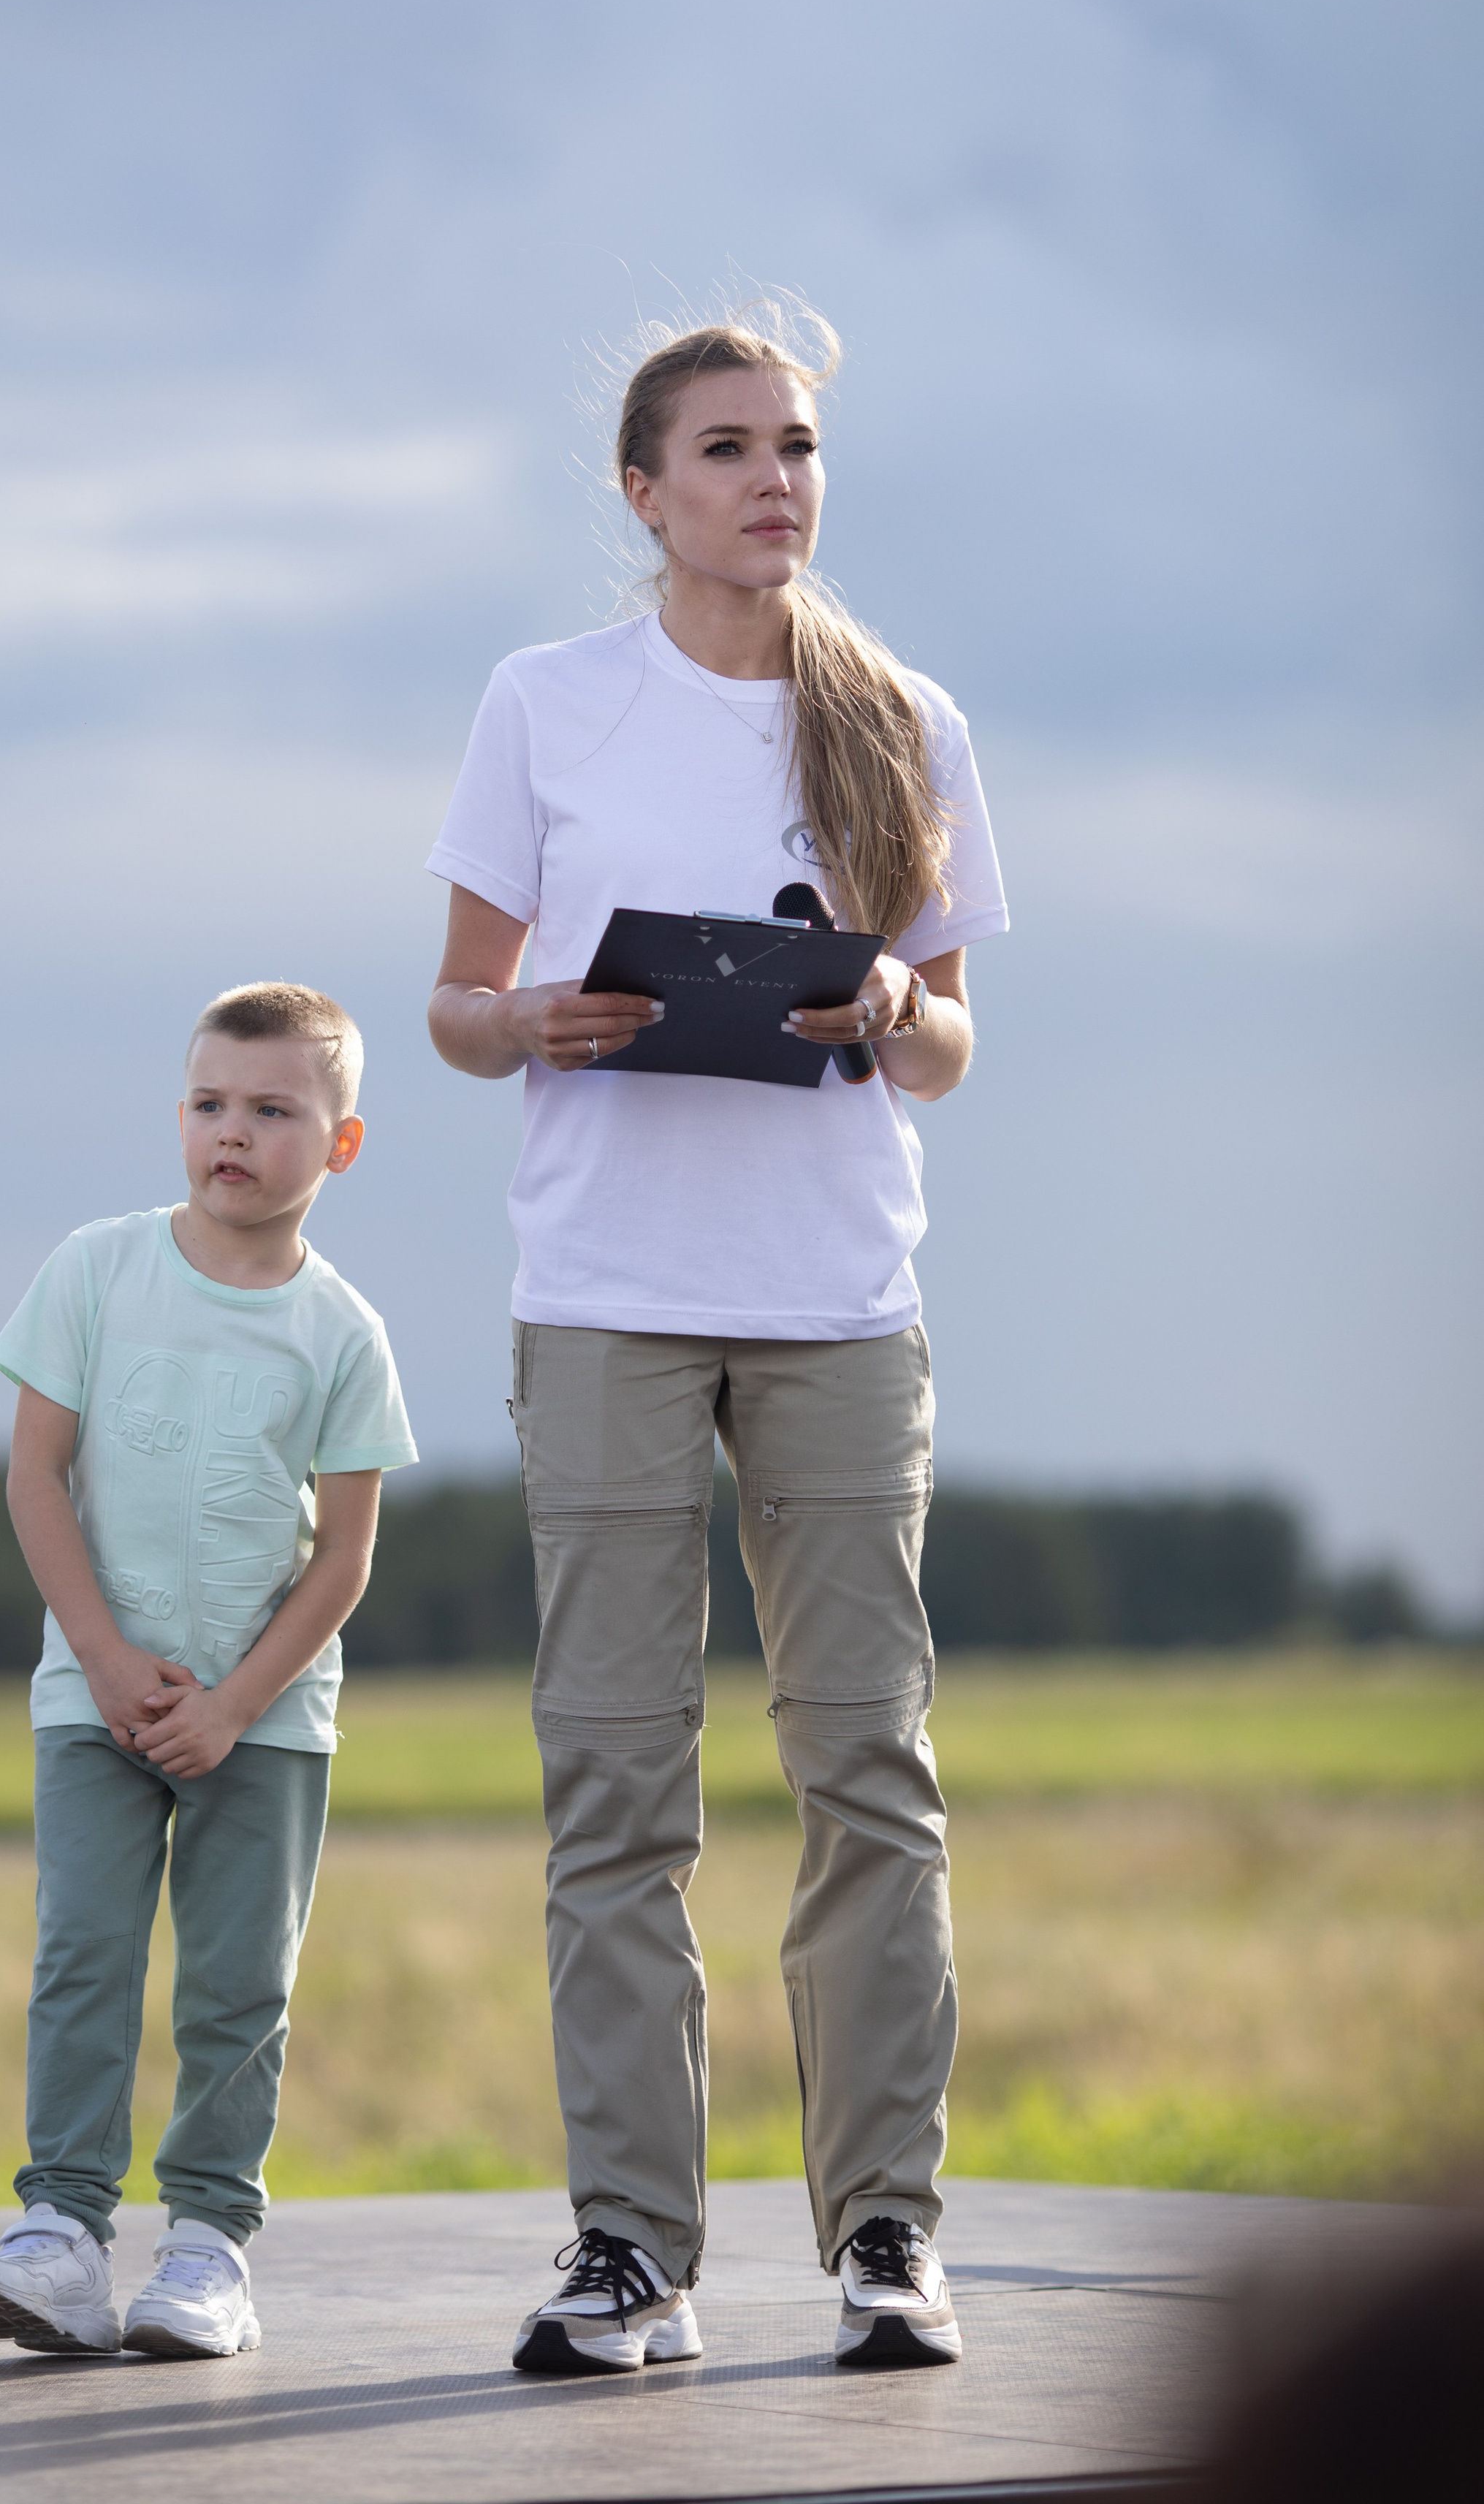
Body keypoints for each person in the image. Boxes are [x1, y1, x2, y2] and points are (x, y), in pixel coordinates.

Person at [427, 308, 1008, 2377]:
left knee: (869, 1774)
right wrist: (535, 1019)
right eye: (731, 448)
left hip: (840, 1309)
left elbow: (947, 1047)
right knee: (614, 1784)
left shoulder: (903, 720)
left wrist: (892, 1009)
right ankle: (629, 2252)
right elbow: (455, 1008)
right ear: (643, 489)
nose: (777, 481)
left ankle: (885, 2236)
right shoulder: (544, 702)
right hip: (604, 1302)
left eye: (799, 447)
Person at [0, 983, 416, 2359]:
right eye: (210, 1103)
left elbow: (345, 1560)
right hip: (94, 1704)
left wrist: (233, 1705)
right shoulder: (95, 1270)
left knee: (237, 1987)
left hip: (263, 1725)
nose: (234, 1133)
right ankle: (62, 2236)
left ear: (341, 1144)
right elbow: (35, 1476)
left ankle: (208, 2249)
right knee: (83, 1957)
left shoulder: (345, 1332)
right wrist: (101, 1658)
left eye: (273, 1110)